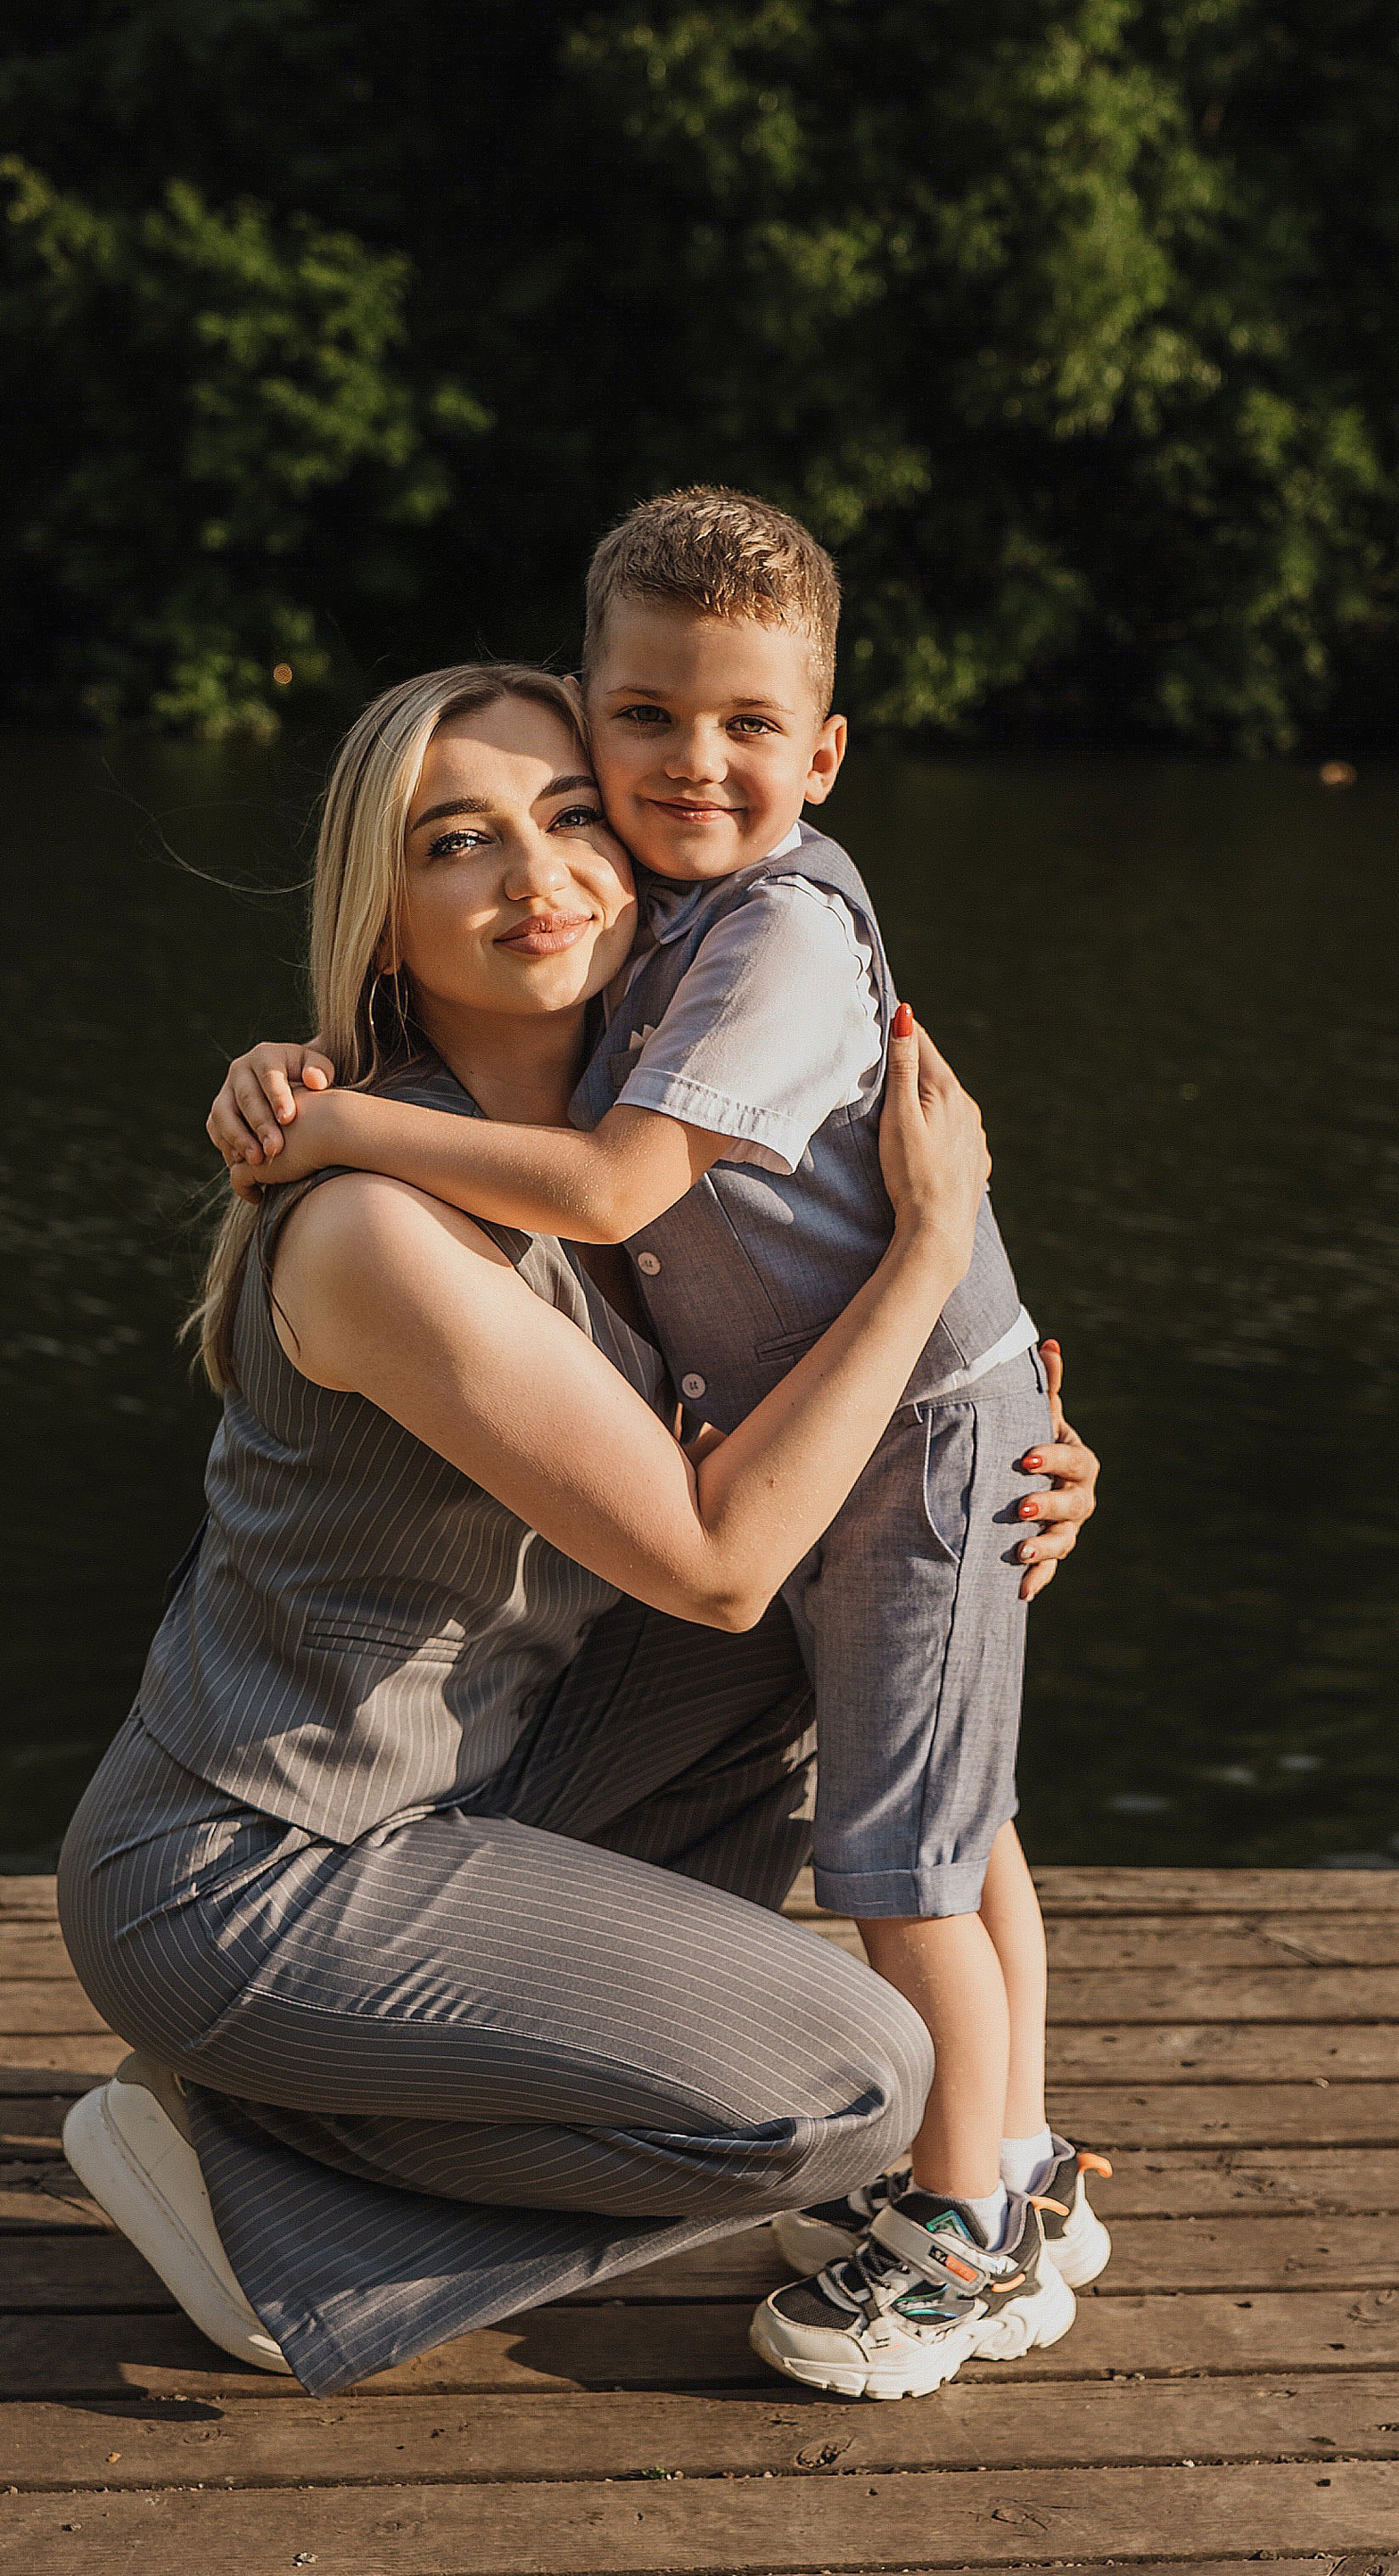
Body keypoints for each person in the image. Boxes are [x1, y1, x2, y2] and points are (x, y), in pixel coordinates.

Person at [60, 661, 1098, 2400]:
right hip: (250, 1868)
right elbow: (709, 1556)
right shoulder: (379, 1227)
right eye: (455, 842)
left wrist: (1009, 1458)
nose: (534, 875)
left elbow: (800, 1480)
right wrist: (925, 1254)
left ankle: (365, 2095)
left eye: (565, 817)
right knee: (876, 2092)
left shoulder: (641, 1148)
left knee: (843, 1644)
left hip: (472, 1792)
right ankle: (271, 2175)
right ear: (383, 921)